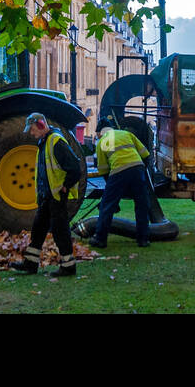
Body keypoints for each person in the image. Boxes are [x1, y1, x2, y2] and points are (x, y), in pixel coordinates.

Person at [10, 112, 83, 278]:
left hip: (56, 196)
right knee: (38, 228)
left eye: (33, 129)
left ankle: (68, 266)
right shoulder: (45, 142)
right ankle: (30, 263)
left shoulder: (55, 141)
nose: (31, 133)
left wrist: (64, 187)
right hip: (48, 196)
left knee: (60, 230)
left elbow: (75, 168)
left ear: (42, 125)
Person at [89, 118, 152, 249]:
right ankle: (143, 239)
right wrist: (140, 172)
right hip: (137, 168)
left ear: (100, 132)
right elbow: (145, 154)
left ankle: (100, 239)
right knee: (142, 204)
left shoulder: (102, 142)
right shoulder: (126, 134)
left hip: (118, 171)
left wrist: (112, 189)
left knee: (107, 205)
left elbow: (103, 169)